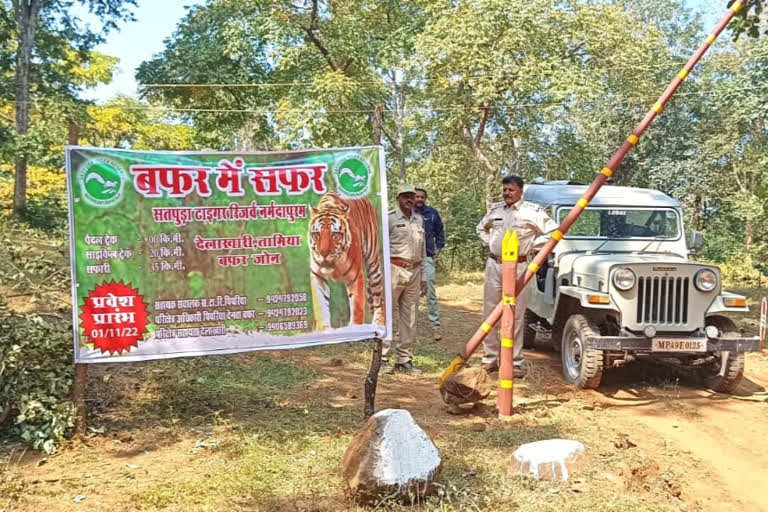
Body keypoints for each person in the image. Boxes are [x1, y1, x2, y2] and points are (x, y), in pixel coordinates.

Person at [476, 175, 557, 378]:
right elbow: (480, 228)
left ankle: (515, 362)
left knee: (516, 315)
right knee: (490, 314)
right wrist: (490, 242)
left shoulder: (532, 212)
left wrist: (532, 247)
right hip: (495, 265)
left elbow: (553, 232)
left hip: (520, 266)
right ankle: (490, 359)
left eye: (510, 190)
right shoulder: (495, 210)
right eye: (504, 190)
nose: (506, 193)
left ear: (520, 191)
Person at [383, 184, 426, 375]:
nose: (409, 199)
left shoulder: (419, 219)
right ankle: (383, 359)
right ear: (398, 198)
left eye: (412, 196)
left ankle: (404, 359)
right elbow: (379, 246)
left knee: (410, 316)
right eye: (405, 196)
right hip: (394, 269)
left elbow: (422, 249)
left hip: (415, 271)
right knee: (387, 315)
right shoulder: (389, 218)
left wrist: (423, 275)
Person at [414, 187, 445, 341]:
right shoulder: (408, 213)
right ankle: (407, 328)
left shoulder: (432, 213)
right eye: (417, 197)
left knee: (430, 292)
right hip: (410, 259)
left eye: (422, 197)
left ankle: (435, 326)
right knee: (409, 294)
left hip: (427, 257)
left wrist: (438, 247)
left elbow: (440, 231)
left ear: (425, 198)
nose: (419, 199)